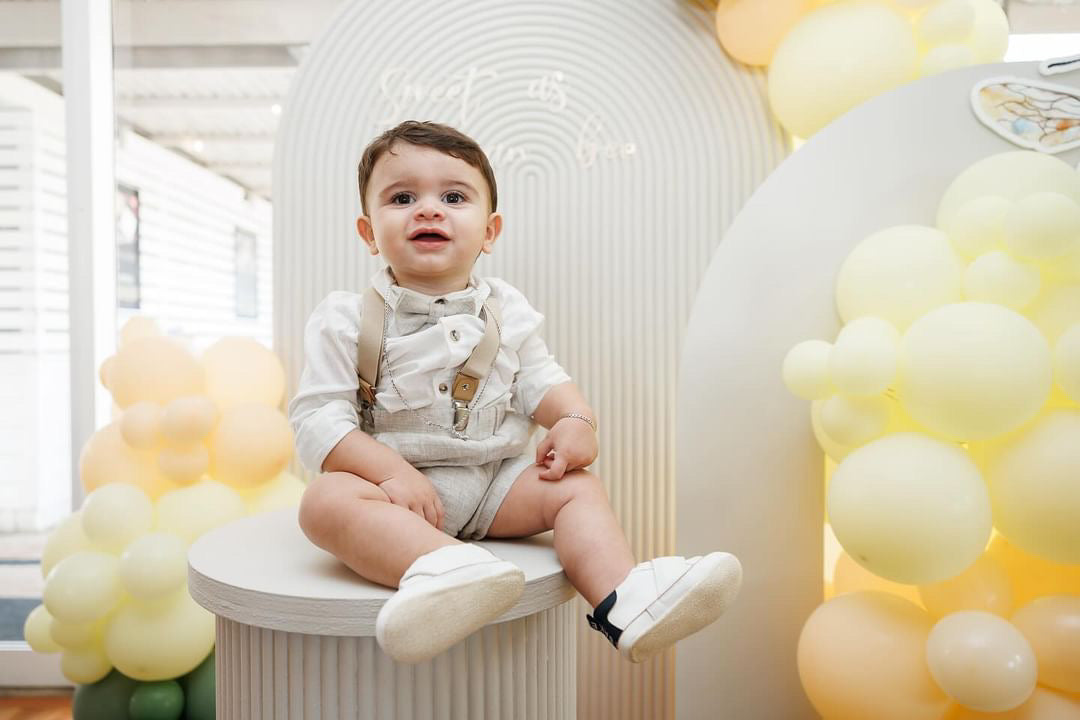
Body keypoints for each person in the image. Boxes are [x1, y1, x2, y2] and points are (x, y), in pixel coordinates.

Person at [289, 120, 742, 664]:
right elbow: (319, 418)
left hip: (494, 488)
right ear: (368, 233)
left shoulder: (507, 310)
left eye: (454, 196)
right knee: (322, 502)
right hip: (398, 499)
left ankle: (625, 601)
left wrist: (576, 419)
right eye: (402, 197)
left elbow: (541, 379)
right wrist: (390, 472)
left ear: (490, 231)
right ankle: (448, 566)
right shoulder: (345, 317)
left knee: (577, 488)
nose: (428, 209)